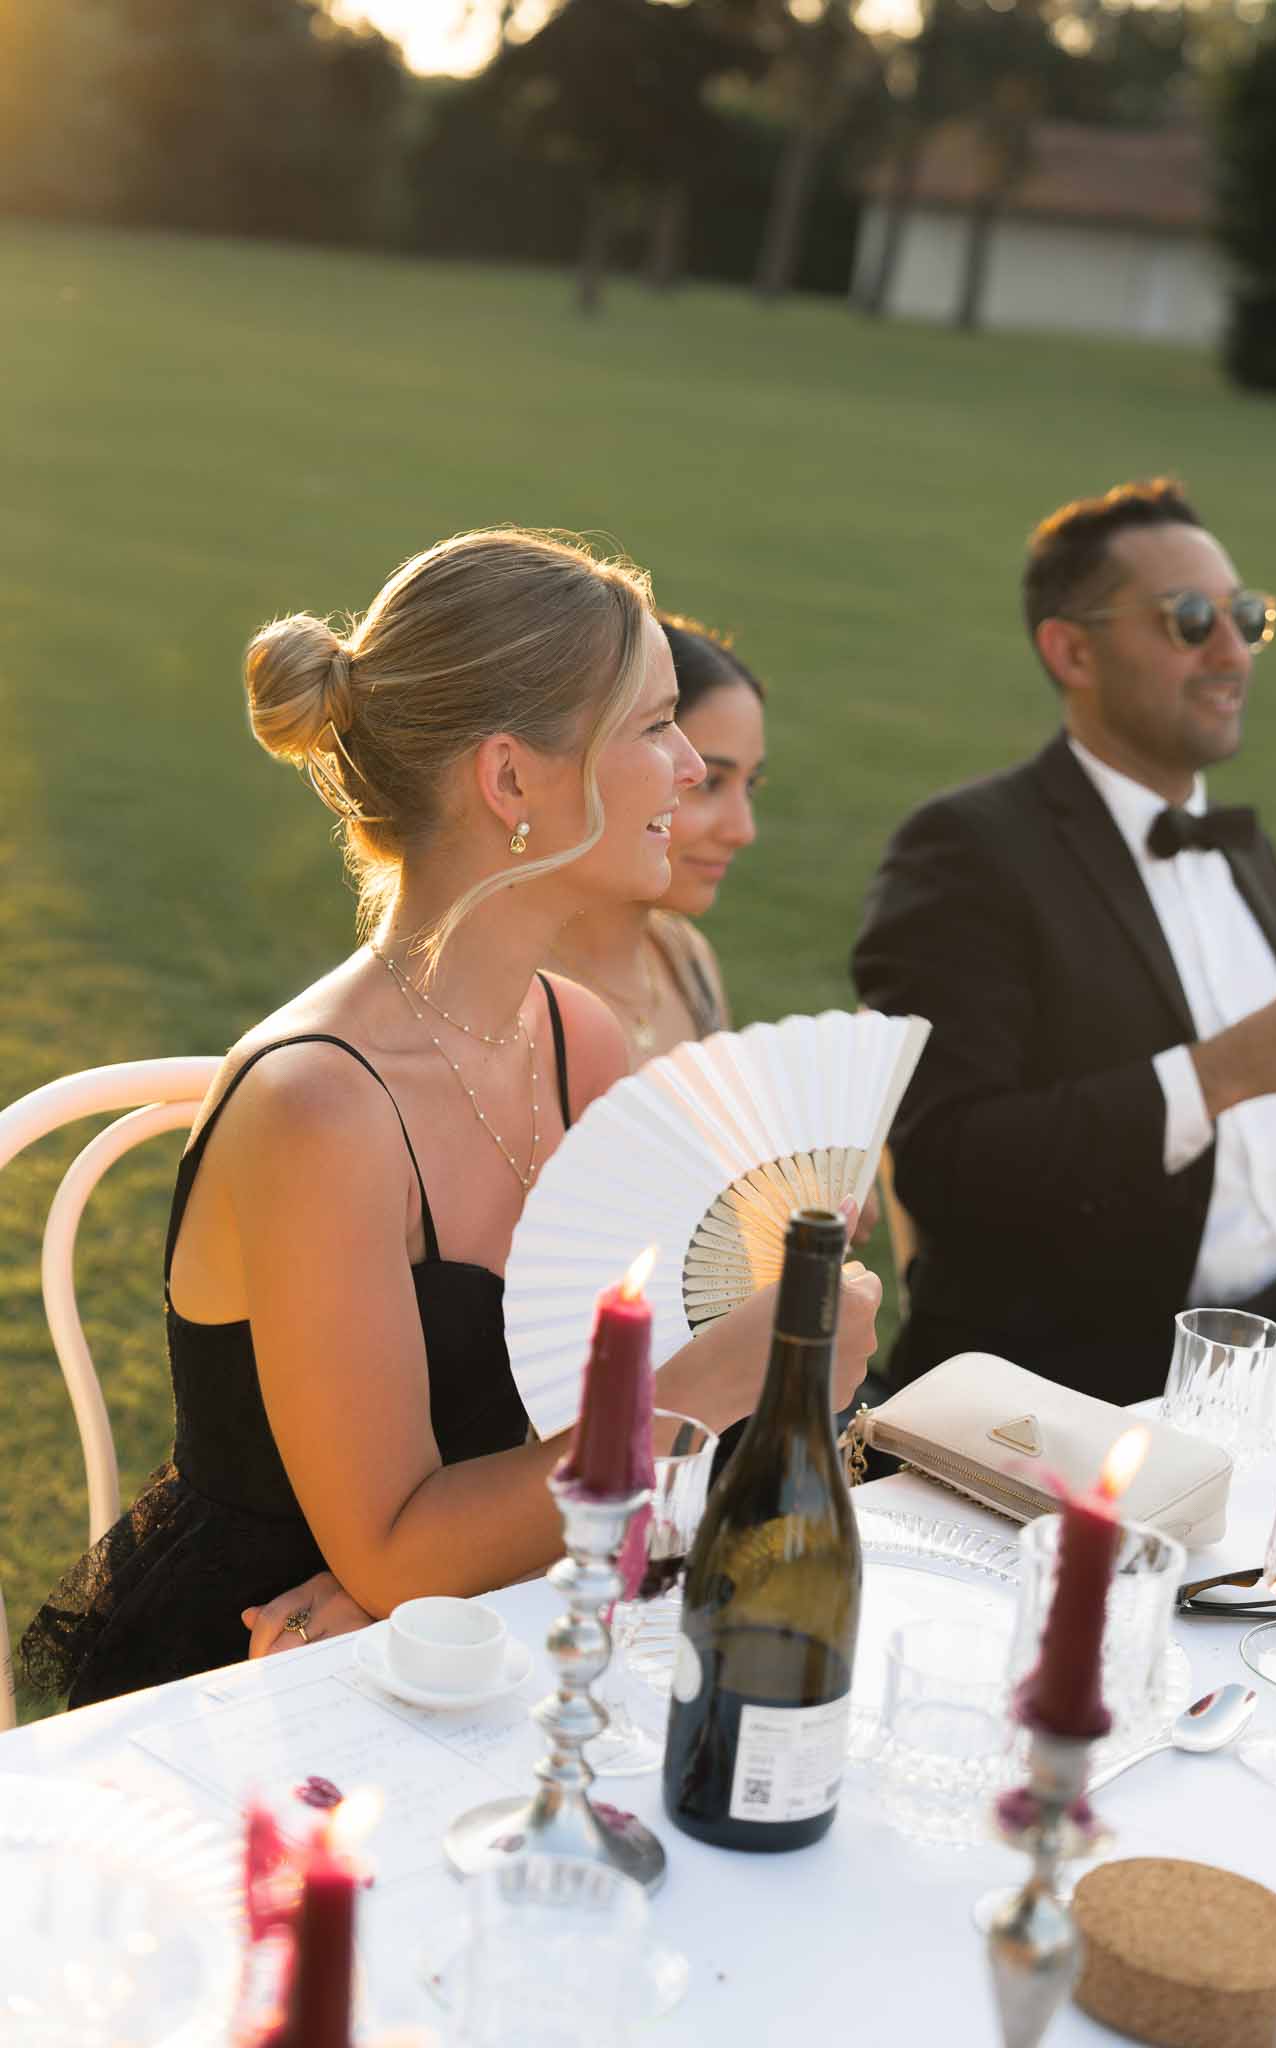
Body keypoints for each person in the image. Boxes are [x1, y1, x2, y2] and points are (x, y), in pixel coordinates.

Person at [22, 527, 879, 1705]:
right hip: (265, 1685)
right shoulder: (318, 1105)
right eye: (653, 725)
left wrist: (786, 1275)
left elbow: (562, 1413)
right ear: (511, 779)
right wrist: (701, 1386)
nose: (689, 767)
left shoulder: (580, 1036)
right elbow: (396, 1542)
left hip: (500, 1624)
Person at [852, 478, 1276, 1405]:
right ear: (1071, 650)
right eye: (1190, 618)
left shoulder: (1246, 852)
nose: (1231, 653)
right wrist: (1214, 1075)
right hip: (1086, 1384)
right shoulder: (966, 853)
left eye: (1245, 617)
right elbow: (946, 1163)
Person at [547, 616, 764, 1066]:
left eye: (750, 786)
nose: (743, 830)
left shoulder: (685, 959)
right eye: (709, 783)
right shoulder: (515, 997)